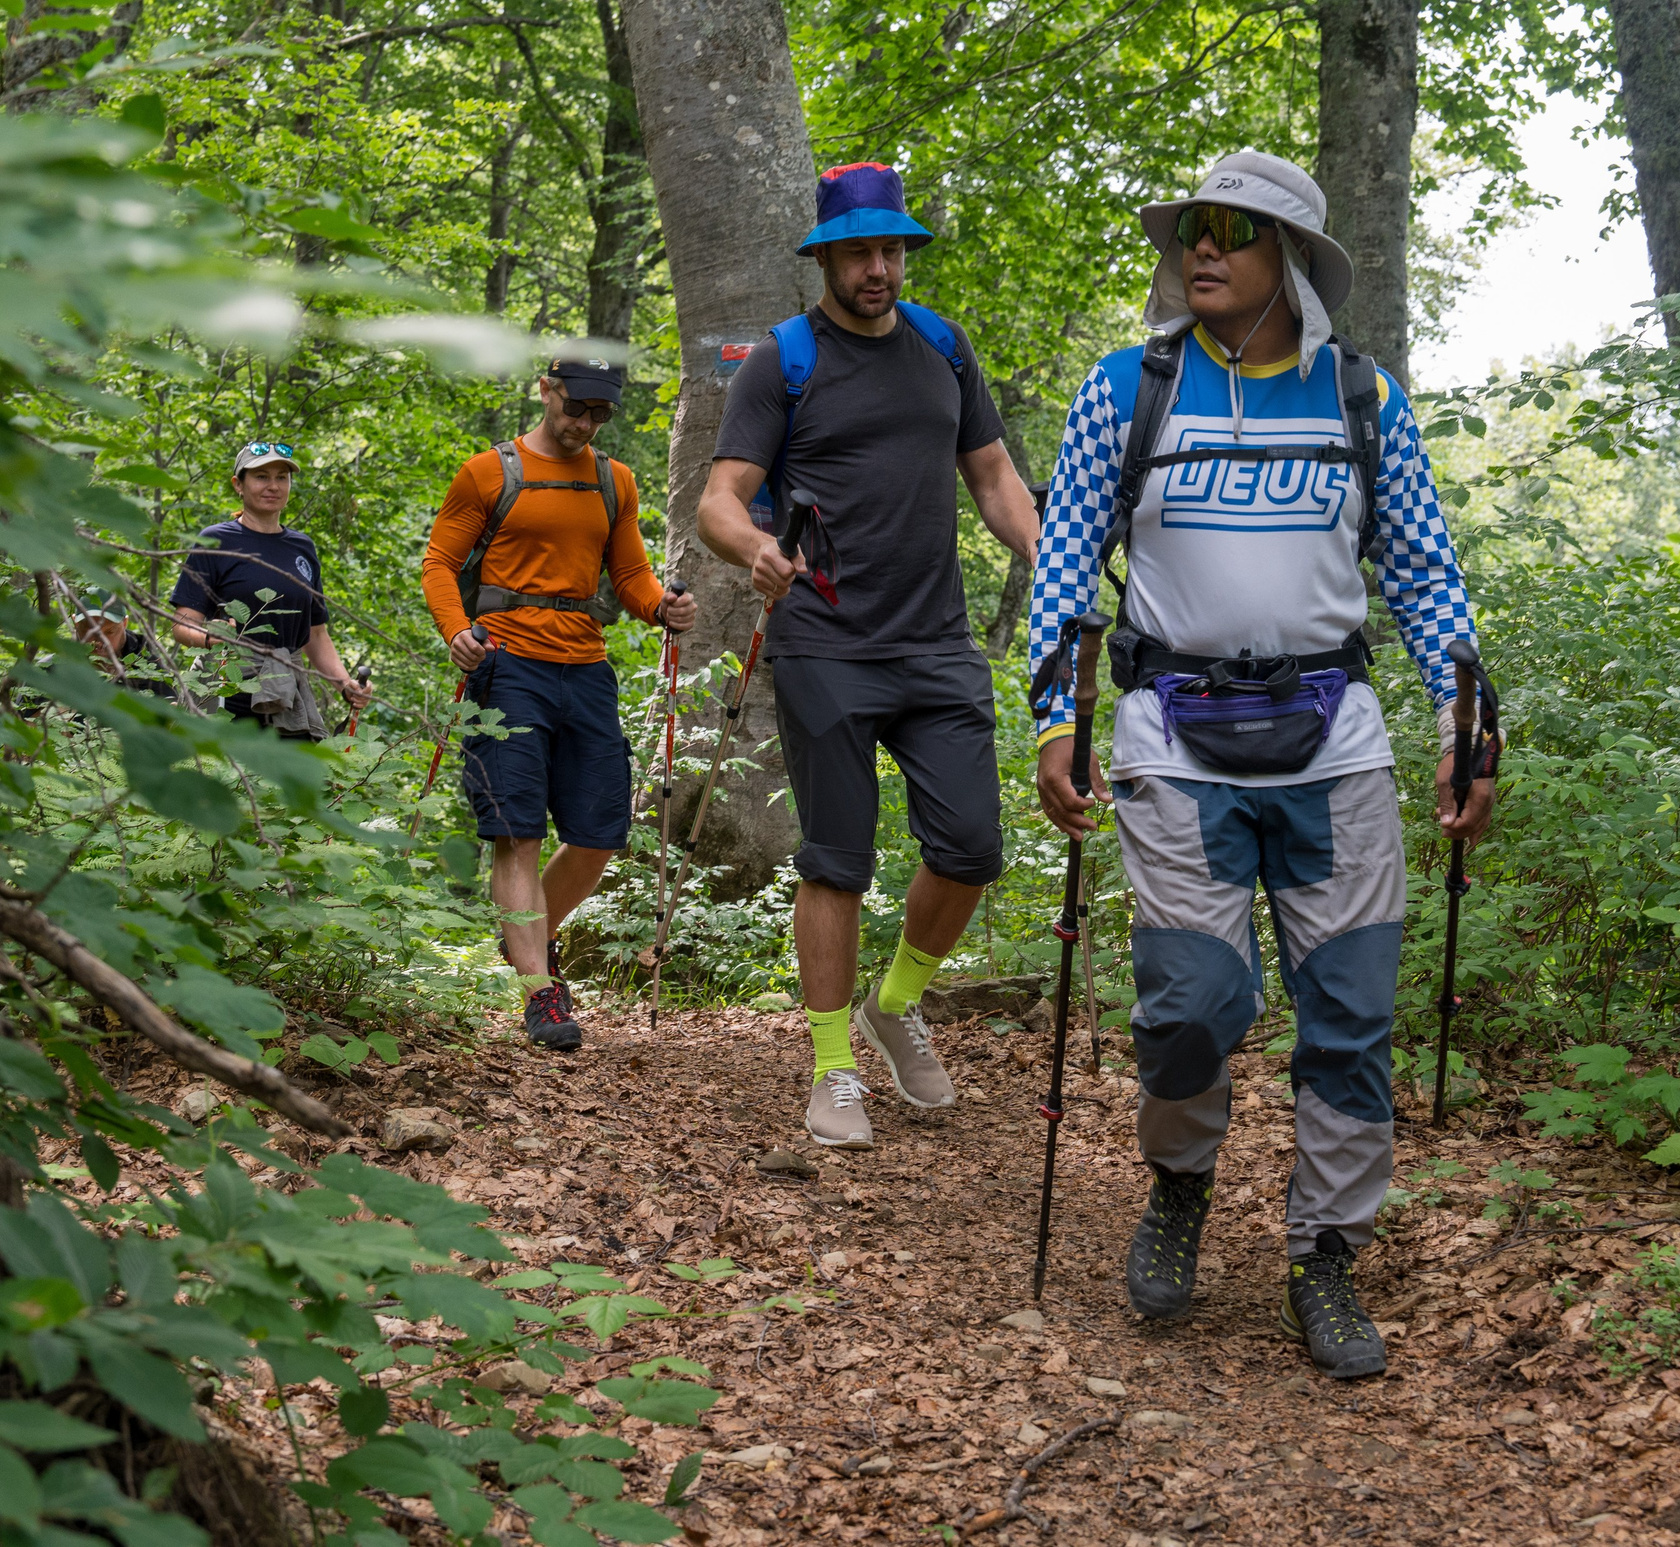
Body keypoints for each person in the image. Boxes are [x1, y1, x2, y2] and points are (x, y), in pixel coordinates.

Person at [1027, 150, 1496, 1380]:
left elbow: (1427, 571)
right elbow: (1067, 560)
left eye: (1232, 230)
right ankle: (1179, 1186)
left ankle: (1323, 1256)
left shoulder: (1360, 396)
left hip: (1333, 740)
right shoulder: (1127, 389)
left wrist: (1466, 725)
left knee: (1348, 1017)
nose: (1201, 247)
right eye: (1190, 228)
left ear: (1287, 252)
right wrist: (1050, 718)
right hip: (1170, 736)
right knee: (1193, 1002)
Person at [698, 162, 1040, 1150]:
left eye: (892, 251)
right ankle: (831, 1067)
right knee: (837, 862)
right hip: (826, 642)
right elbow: (721, 497)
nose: (879, 269)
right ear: (826, 261)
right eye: (859, 254)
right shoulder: (783, 361)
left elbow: (992, 476)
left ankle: (895, 1005)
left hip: (937, 640)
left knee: (971, 844)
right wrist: (757, 549)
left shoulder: (944, 348)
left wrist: (1047, 558)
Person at [421, 348, 698, 1052]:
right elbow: (440, 564)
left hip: (587, 665)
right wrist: (457, 632)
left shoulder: (615, 480)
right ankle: (539, 989)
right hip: (507, 664)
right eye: (575, 406)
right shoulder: (489, 472)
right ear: (545, 390)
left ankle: (525, 940)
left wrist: (660, 606)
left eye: (599, 412)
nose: (585, 423)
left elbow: (630, 572)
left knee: (599, 833)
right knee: (517, 831)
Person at [171, 441, 369, 740]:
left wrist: (345, 685)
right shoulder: (215, 541)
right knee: (226, 778)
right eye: (261, 477)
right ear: (238, 484)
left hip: (287, 691)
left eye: (281, 477)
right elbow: (182, 624)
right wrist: (211, 638)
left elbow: (315, 634)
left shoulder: (302, 548)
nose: (273, 485)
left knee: (294, 781)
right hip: (227, 684)